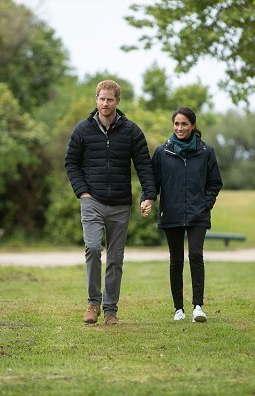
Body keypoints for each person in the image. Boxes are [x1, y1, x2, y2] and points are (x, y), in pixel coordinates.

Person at [65, 79, 156, 325]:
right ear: (96, 99)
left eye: (110, 99)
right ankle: (93, 303)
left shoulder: (131, 131)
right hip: (91, 200)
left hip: (120, 204)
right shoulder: (83, 130)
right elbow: (71, 162)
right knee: (93, 248)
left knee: (115, 258)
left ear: (117, 101)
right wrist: (82, 191)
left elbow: (144, 165)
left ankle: (110, 311)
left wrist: (149, 194)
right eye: (101, 99)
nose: (105, 103)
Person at [142, 107, 222, 322]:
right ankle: (179, 309)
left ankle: (198, 307)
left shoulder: (206, 152)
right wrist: (147, 199)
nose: (179, 128)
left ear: (193, 126)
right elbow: (152, 182)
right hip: (172, 212)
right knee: (176, 260)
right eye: (176, 124)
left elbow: (215, 182)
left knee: (196, 256)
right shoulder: (162, 152)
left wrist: (206, 203)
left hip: (198, 213)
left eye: (184, 124)